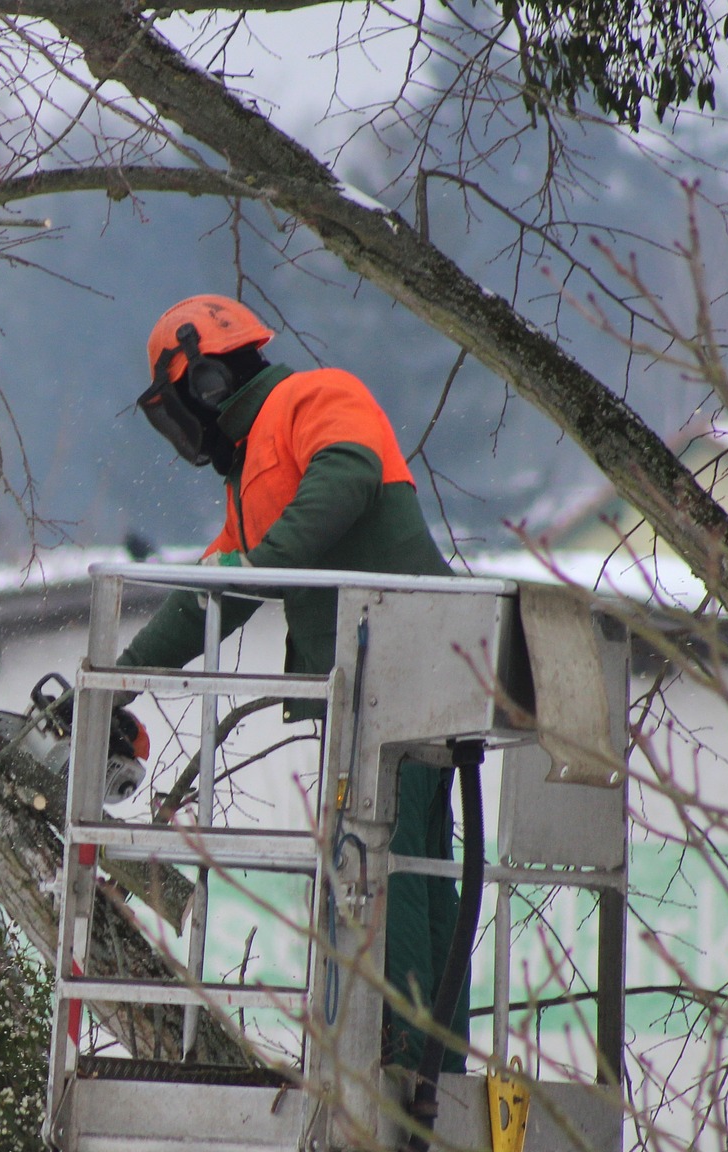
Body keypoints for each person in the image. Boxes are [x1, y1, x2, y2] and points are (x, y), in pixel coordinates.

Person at [119, 293, 468, 1072]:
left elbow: (347, 479)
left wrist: (261, 563)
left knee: (394, 873)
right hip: (369, 689)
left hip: (408, 671)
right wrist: (120, 679)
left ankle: (407, 1069)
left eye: (180, 405)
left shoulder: (316, 397)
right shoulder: (251, 473)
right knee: (395, 866)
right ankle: (420, 1062)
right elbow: (216, 596)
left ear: (203, 382)